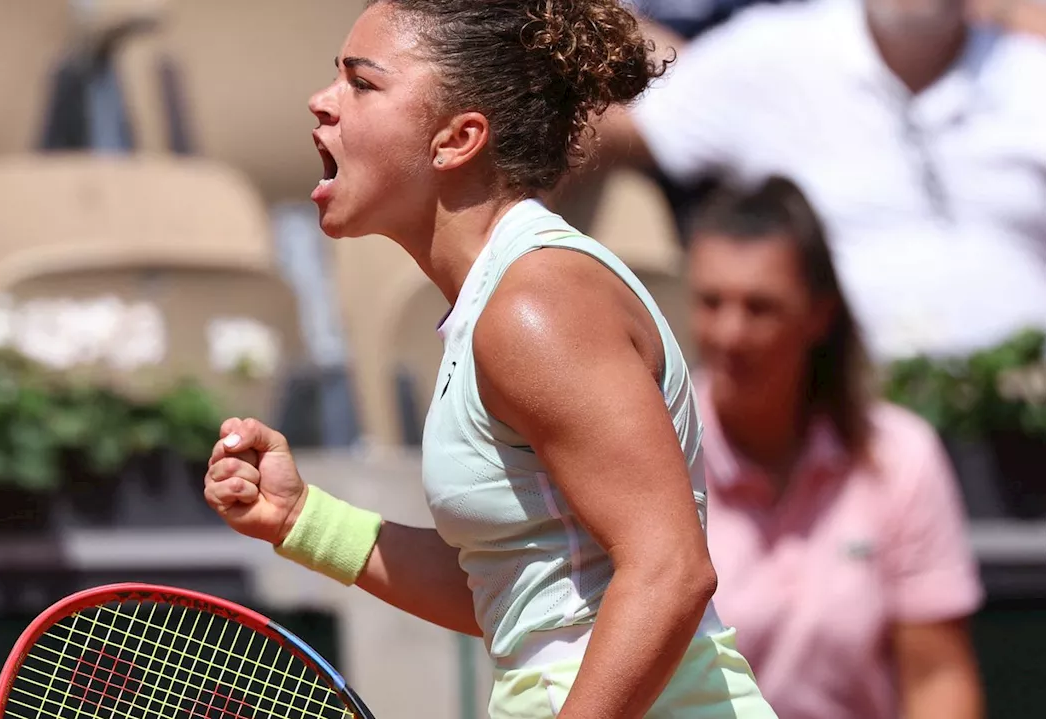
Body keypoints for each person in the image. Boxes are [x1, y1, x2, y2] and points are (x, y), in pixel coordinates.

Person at [204, 1, 776, 717]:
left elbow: (671, 570)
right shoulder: (502, 302)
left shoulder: (534, 307)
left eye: (363, 84)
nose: (322, 102)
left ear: (456, 138)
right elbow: (515, 595)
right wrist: (303, 521)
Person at [588, 0, 1047, 362]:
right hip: (839, 438)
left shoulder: (1030, 70)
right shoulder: (769, 55)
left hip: (1022, 423)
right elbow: (615, 131)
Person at [686, 176, 986, 719]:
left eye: (760, 307)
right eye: (710, 302)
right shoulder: (656, 451)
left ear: (819, 315)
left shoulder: (900, 456)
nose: (729, 333)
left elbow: (938, 678)